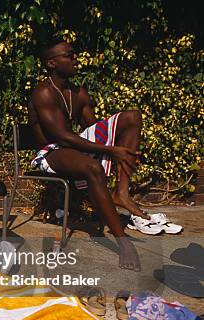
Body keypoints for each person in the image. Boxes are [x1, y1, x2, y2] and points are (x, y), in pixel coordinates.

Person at [28, 38, 181, 271]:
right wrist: (112, 151)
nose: (75, 59)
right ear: (52, 63)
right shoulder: (43, 92)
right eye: (69, 55)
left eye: (74, 54)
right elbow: (60, 137)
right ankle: (123, 243)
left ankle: (121, 193)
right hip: (51, 152)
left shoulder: (78, 93)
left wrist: (123, 146)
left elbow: (94, 129)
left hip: (72, 146)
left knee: (132, 117)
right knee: (92, 167)